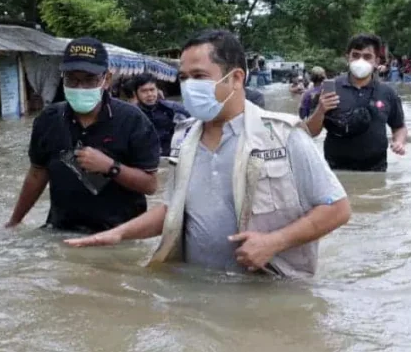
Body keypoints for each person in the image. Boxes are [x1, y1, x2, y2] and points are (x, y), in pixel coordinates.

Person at [65, 29, 351, 278]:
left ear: (236, 78)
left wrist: (275, 242)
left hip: (267, 292)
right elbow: (174, 211)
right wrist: (119, 234)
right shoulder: (184, 137)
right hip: (195, 293)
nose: (189, 86)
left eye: (199, 76)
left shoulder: (284, 136)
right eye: (183, 78)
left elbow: (337, 208)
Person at [4, 37, 161, 233]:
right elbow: (37, 174)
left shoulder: (132, 121)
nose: (79, 87)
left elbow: (151, 184)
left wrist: (110, 167)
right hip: (61, 231)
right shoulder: (49, 119)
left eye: (89, 79)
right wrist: (14, 222)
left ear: (106, 80)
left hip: (118, 234)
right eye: (72, 79)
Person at [306, 34, 407, 172]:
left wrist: (399, 142)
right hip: (335, 173)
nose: (360, 60)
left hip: (376, 173)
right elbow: (310, 132)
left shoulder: (387, 92)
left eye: (367, 56)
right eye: (356, 55)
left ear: (376, 61)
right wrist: (321, 110)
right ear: (348, 57)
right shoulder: (329, 89)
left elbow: (399, 127)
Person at [132, 72, 191, 156]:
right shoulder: (132, 114)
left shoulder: (172, 108)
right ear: (135, 94)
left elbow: (194, 119)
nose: (149, 94)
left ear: (158, 90)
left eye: (152, 89)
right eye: (144, 91)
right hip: (143, 159)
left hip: (171, 157)